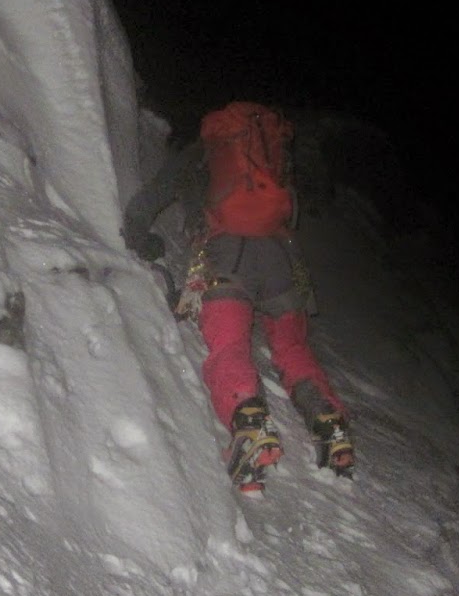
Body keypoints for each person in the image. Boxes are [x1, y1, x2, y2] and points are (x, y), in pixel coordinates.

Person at [122, 101, 354, 491]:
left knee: (229, 346)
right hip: (282, 260)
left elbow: (148, 201)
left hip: (226, 254)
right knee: (293, 348)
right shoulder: (272, 160)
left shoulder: (203, 152)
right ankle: (330, 424)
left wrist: (138, 238)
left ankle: (250, 424)